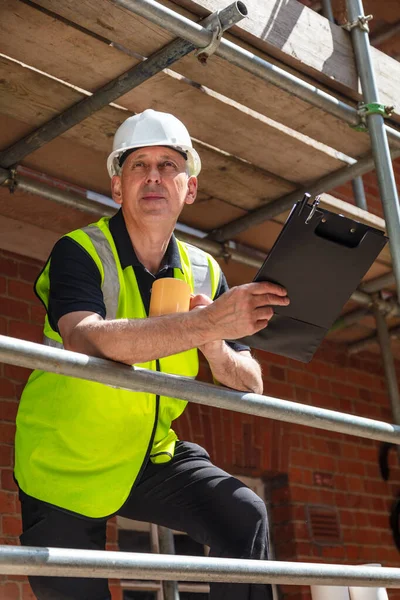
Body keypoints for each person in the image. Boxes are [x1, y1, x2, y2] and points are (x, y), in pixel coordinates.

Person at [14, 109, 290, 600]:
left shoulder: (204, 269)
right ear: (118, 188)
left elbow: (251, 381)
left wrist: (214, 343)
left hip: (148, 454)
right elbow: (85, 338)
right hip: (66, 459)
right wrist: (207, 321)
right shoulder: (80, 250)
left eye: (168, 165)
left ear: (191, 187)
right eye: (138, 165)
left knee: (243, 511)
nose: (154, 176)